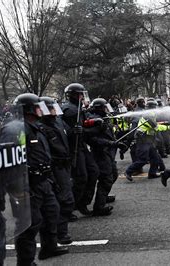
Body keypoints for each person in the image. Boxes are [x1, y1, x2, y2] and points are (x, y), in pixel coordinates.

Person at [13, 93, 69, 265]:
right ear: (29, 109)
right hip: (28, 184)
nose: (41, 110)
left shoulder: (37, 127)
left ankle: (49, 247)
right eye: (38, 106)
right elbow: (14, 157)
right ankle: (25, 261)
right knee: (30, 224)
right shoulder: (19, 130)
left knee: (52, 212)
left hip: (44, 180)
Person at [40, 97, 75, 244]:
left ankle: (59, 232)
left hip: (65, 165)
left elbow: (69, 133)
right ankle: (60, 234)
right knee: (64, 200)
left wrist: (77, 130)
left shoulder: (59, 122)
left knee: (64, 199)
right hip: (55, 167)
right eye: (52, 108)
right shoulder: (42, 128)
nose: (56, 110)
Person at [61, 83, 99, 216]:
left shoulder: (78, 109)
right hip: (74, 148)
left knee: (93, 172)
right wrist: (76, 131)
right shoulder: (69, 110)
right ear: (75, 95)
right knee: (80, 177)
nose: (83, 97)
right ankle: (70, 207)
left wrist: (94, 124)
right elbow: (65, 130)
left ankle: (83, 203)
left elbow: (83, 126)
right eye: (81, 94)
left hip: (82, 146)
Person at [85, 98, 124, 216]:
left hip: (107, 151)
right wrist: (110, 143)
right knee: (106, 178)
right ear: (100, 108)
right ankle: (99, 207)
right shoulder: (95, 120)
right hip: (100, 153)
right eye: (105, 107)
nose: (107, 110)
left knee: (113, 174)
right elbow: (92, 139)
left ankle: (103, 196)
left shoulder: (103, 119)